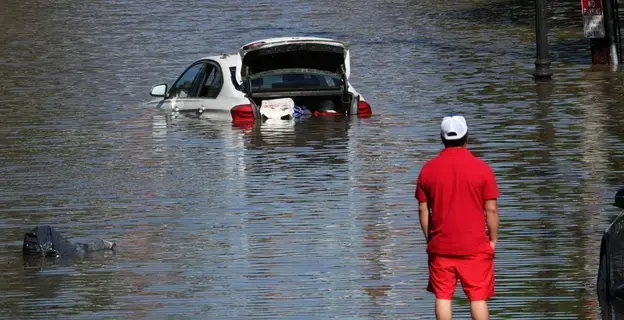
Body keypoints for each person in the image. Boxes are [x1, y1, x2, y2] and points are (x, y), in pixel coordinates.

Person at [415, 113, 499, 320]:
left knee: (443, 296)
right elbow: (491, 210)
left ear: (442, 139)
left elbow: (423, 210)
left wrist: (430, 239)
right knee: (477, 298)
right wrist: (493, 241)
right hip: (475, 245)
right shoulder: (482, 169)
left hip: (441, 245)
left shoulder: (428, 170)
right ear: (466, 137)